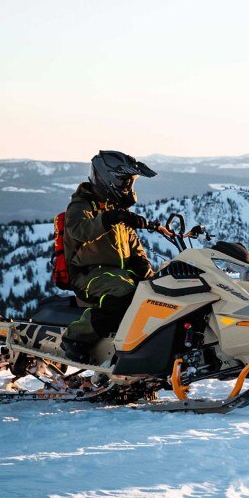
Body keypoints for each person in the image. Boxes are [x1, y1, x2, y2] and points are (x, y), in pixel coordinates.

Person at [60, 151, 159, 362]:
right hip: (88, 274)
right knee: (123, 293)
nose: (128, 187)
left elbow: (133, 245)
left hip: (118, 272)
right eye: (125, 182)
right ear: (108, 179)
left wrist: (145, 270)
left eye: (130, 183)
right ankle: (76, 337)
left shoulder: (115, 208)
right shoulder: (82, 205)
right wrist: (109, 219)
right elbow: (79, 230)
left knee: (157, 293)